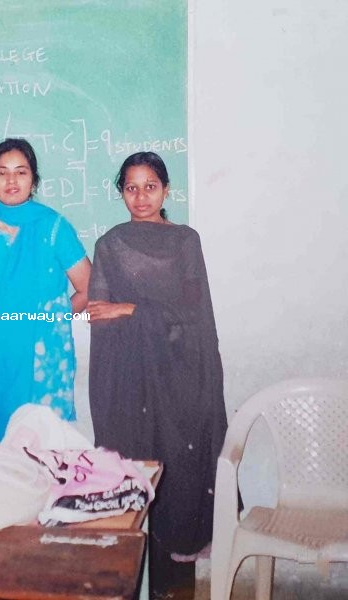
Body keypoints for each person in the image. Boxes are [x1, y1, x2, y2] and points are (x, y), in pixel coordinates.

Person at [87, 152, 227, 599]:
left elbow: (194, 316)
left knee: (179, 483)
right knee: (131, 482)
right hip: (130, 383)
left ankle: (174, 590)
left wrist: (131, 309)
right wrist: (107, 396)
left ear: (166, 190)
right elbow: (100, 318)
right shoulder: (110, 245)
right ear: (121, 193)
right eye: (131, 187)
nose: (141, 196)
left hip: (183, 379)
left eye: (150, 186)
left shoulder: (186, 241)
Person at [0, 138, 91, 442]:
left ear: (34, 179)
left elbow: (87, 288)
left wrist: (48, 319)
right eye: (2, 172)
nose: (12, 180)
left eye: (21, 172)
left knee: (45, 453)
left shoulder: (54, 227)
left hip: (45, 364)